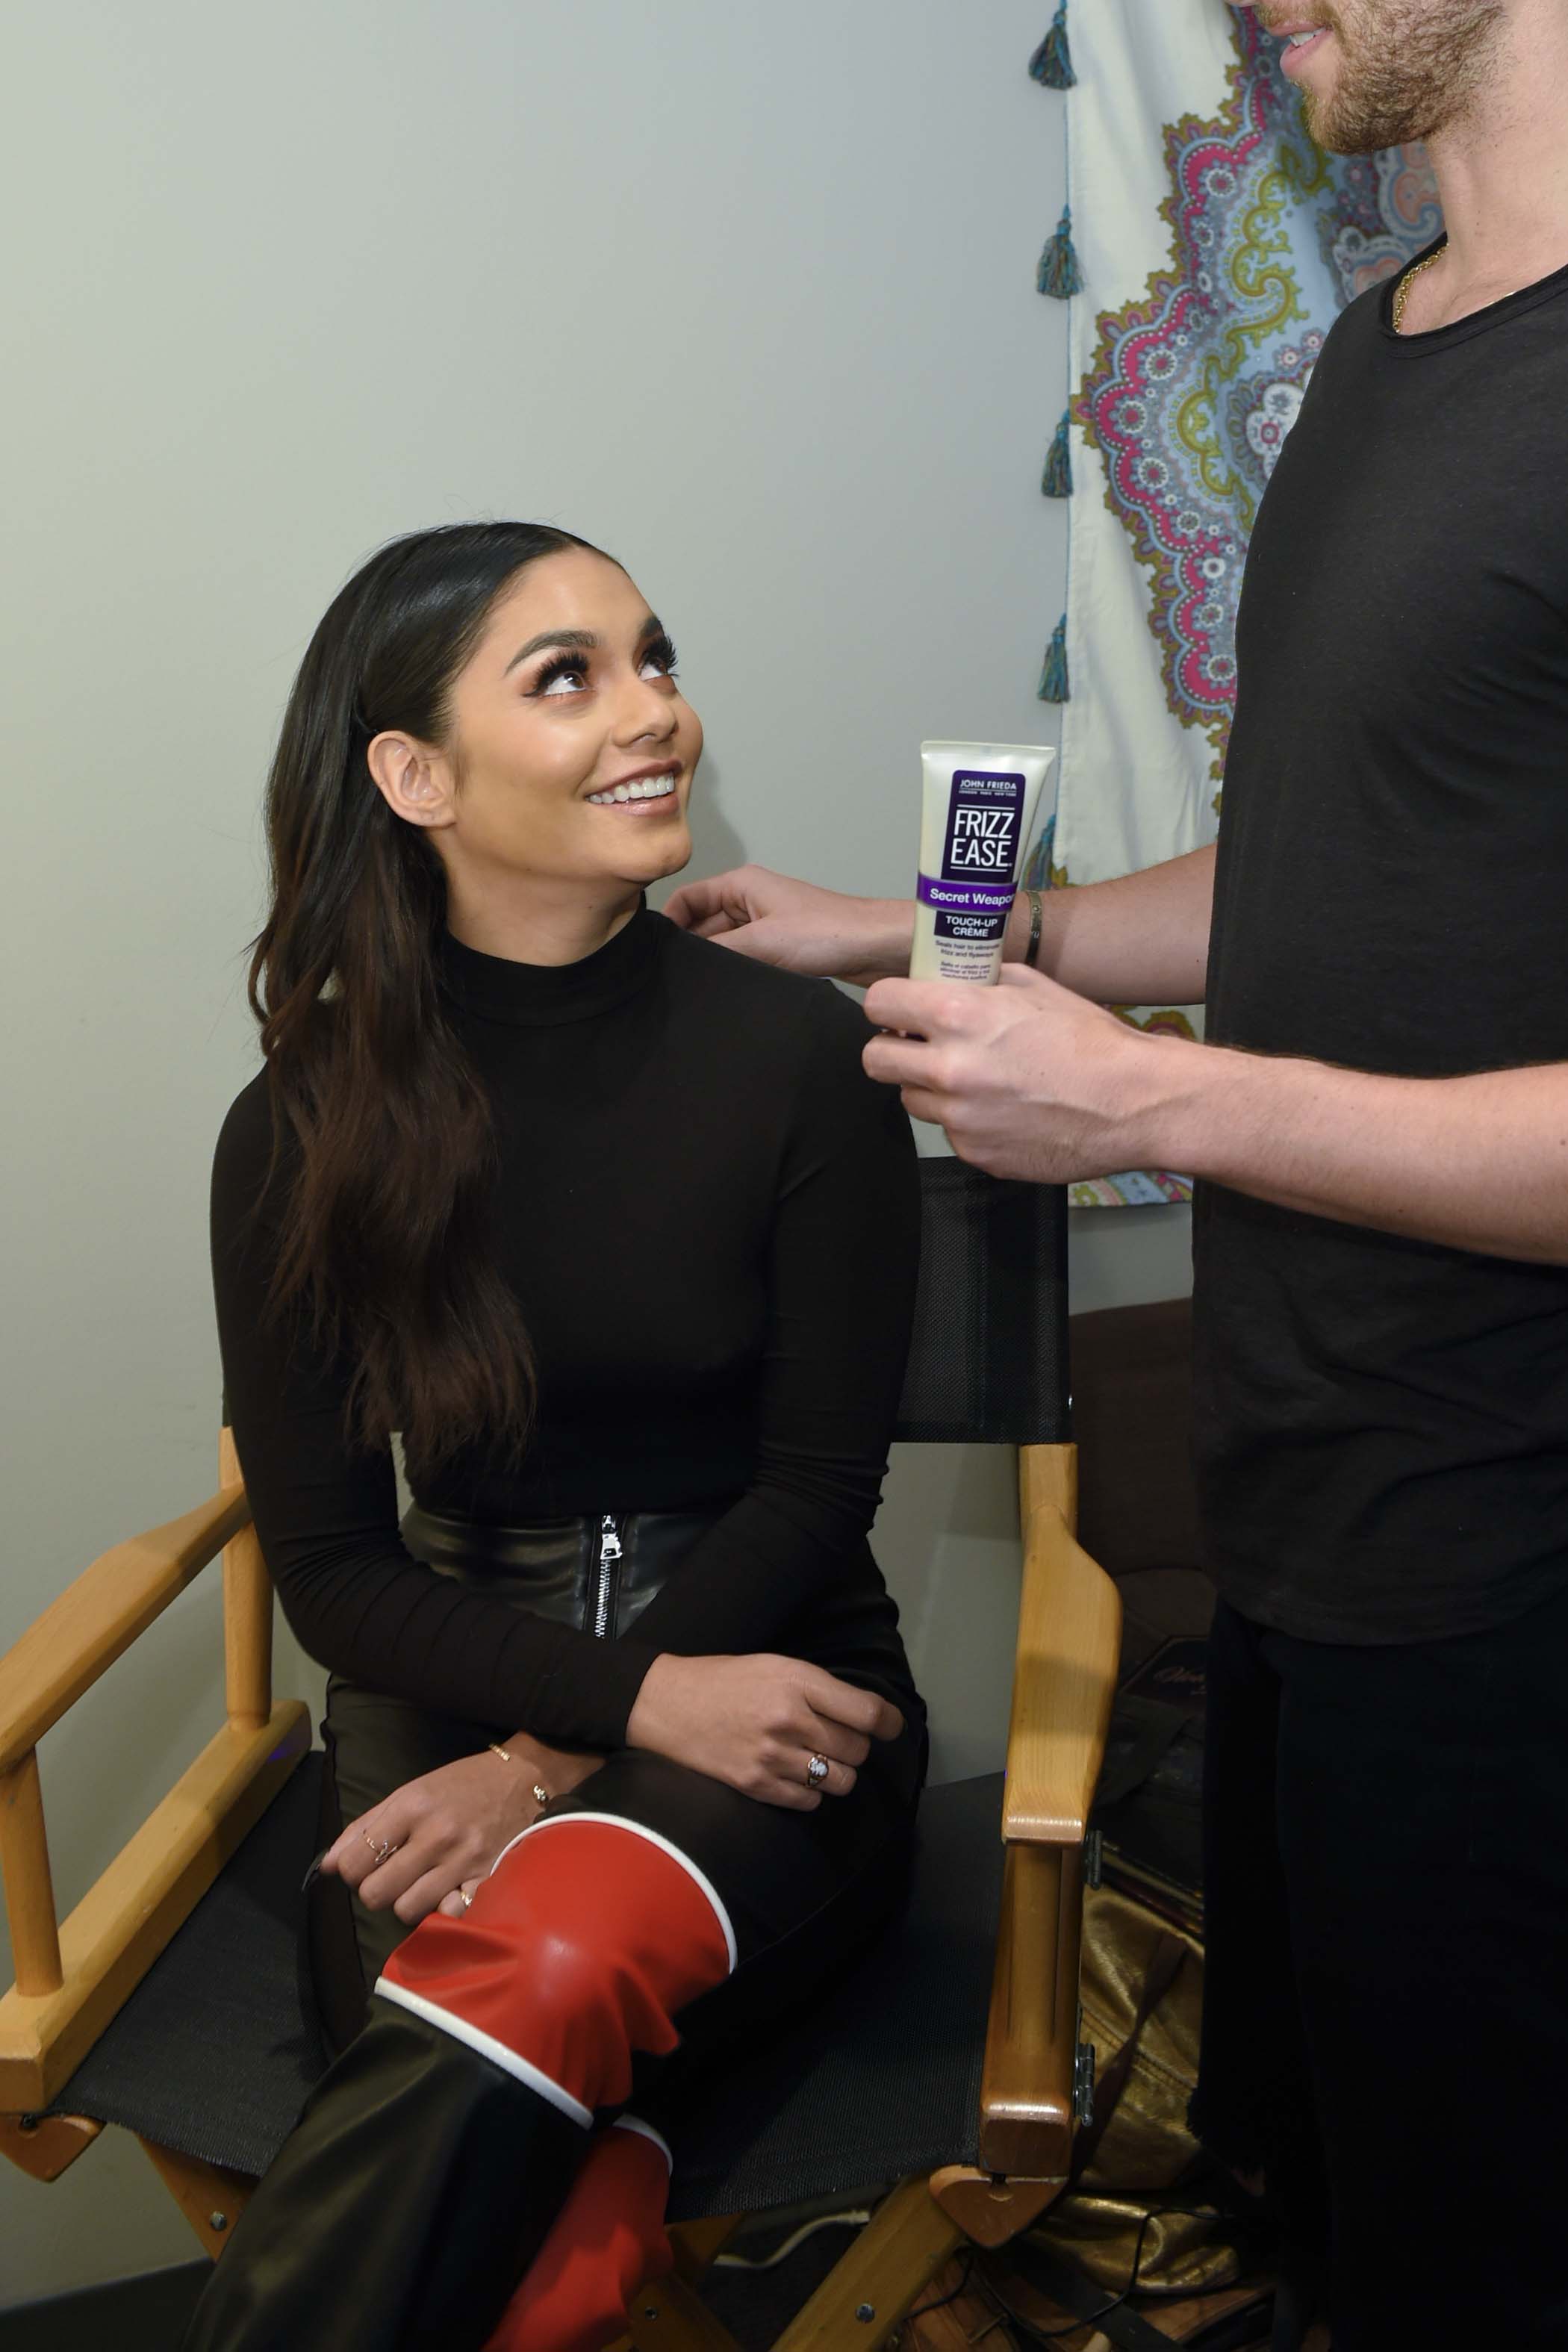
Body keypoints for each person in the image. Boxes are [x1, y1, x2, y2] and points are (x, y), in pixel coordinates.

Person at [666, 5, 1568, 2343]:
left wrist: (1150, 1102)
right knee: (1310, 2204)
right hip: (1305, 1505)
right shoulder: (1390, 352)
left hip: (1511, 1558)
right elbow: (1322, 860)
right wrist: (971, 929)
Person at [183, 520, 925, 2352]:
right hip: (438, 1705)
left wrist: (556, 1758)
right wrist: (554, 1729)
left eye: (653, 657)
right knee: (527, 2194)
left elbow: (822, 1491)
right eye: (568, 675)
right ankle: (605, 2200)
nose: (653, 710)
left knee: (551, 1961)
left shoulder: (801, 1063)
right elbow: (341, 1575)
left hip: (771, 1693)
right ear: (413, 775)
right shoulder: (296, 1129)